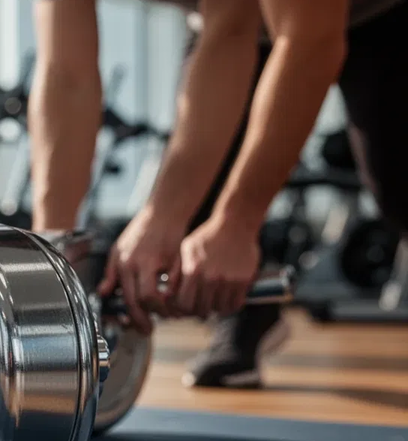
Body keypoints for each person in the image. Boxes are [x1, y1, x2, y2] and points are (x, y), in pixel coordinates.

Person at [29, 0, 407, 387]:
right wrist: (53, 250)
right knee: (187, 214)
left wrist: (237, 223)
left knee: (397, 191)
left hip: (374, 13)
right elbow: (66, 75)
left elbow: (310, 42)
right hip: (228, 19)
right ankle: (249, 314)